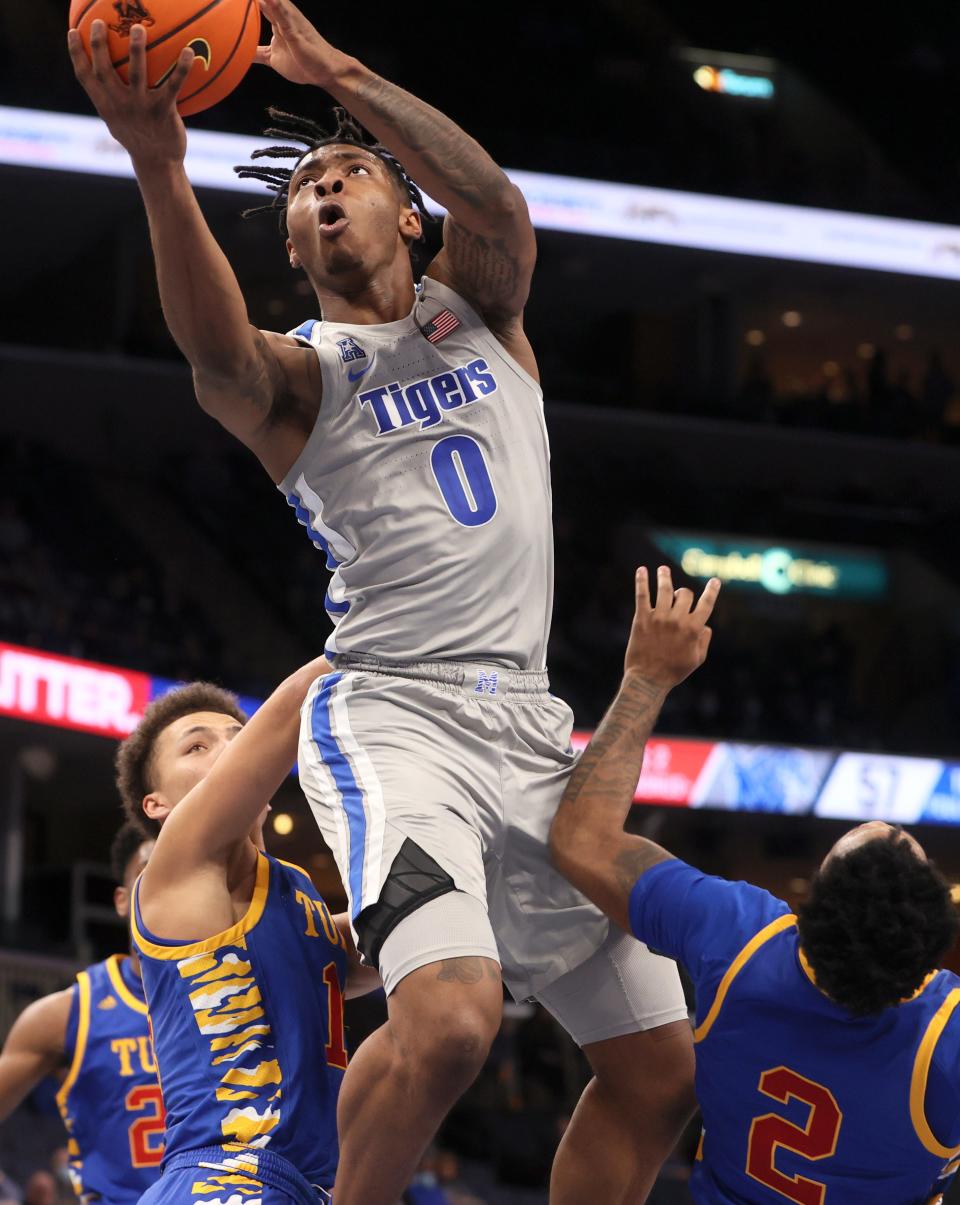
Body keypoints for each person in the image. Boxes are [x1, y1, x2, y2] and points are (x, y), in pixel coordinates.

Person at [68, 4, 696, 1201]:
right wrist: (160, 166)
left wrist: (340, 76)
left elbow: (503, 212)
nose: (323, 192)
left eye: (348, 172)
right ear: (296, 252)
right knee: (453, 1025)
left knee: (662, 1068)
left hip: (527, 724)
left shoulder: (487, 311)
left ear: (410, 214)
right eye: (304, 192)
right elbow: (212, 355)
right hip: (395, 717)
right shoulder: (301, 379)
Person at [550, 565, 960, 1204]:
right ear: (925, 965)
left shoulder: (740, 937)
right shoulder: (947, 1037)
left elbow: (581, 840)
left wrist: (647, 677)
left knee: (646, 1077)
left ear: (807, 906)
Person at [114, 667, 379, 1205]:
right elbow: (285, 714)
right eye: (196, 747)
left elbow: (358, 958)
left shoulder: (296, 887)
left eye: (238, 739)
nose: (228, 753)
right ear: (156, 804)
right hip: (220, 1177)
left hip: (298, 1185)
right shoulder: (176, 866)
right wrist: (371, 629)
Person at [0, 823, 162, 1205]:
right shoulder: (67, 1014)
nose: (167, 882)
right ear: (121, 900)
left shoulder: (237, 999)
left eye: (180, 869)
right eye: (152, 870)